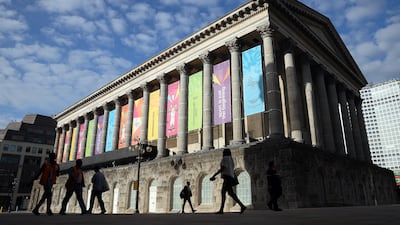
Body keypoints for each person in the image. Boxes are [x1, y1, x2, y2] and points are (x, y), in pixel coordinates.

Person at [210, 148, 246, 214]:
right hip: (230, 177)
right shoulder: (231, 159)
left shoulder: (225, 159)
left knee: (223, 193)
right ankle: (242, 206)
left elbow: (223, 168)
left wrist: (214, 175)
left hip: (227, 178)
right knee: (231, 193)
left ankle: (221, 210)